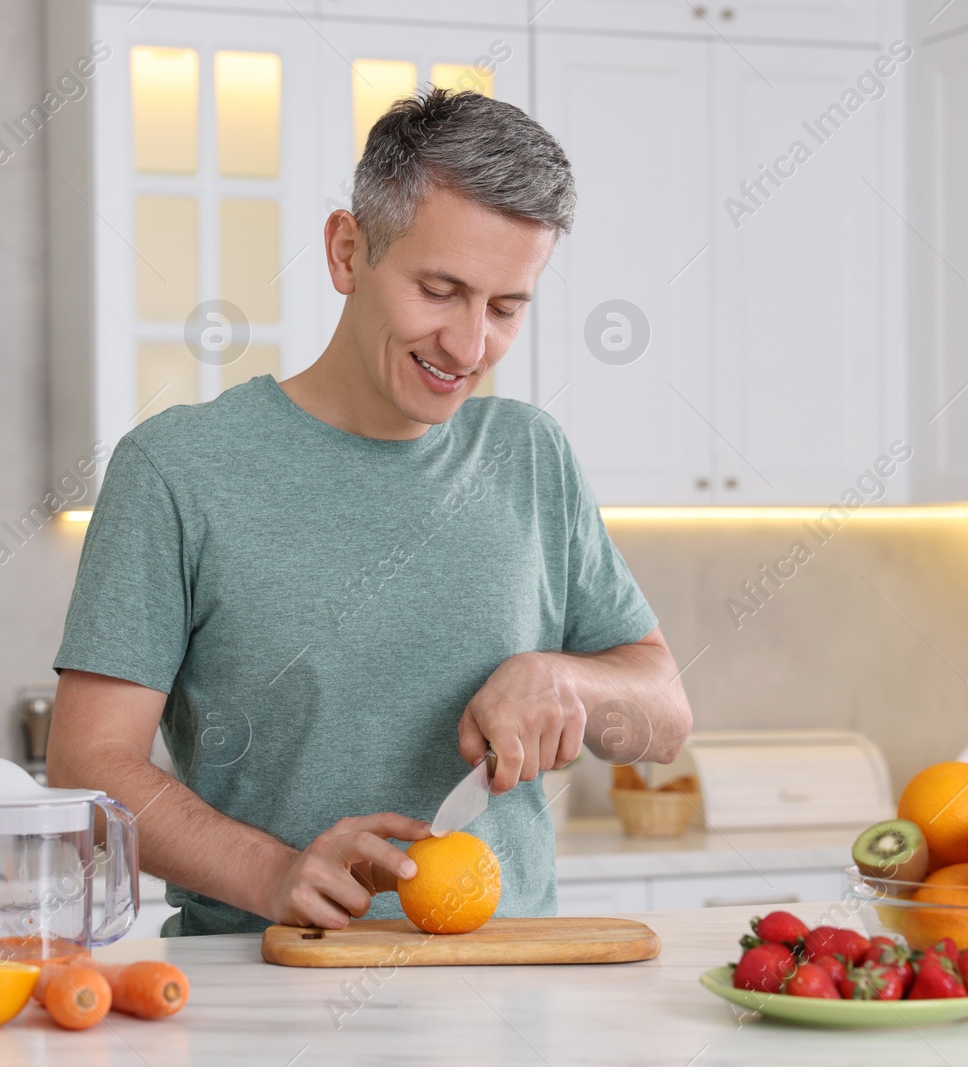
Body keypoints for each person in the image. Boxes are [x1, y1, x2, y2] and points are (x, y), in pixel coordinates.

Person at [48, 86, 692, 936]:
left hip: (506, 980)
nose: (468, 348)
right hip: (268, 987)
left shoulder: (530, 454)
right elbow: (86, 771)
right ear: (348, 252)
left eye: (505, 309)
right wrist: (274, 872)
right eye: (439, 290)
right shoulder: (177, 470)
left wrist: (565, 677)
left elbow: (663, 719)